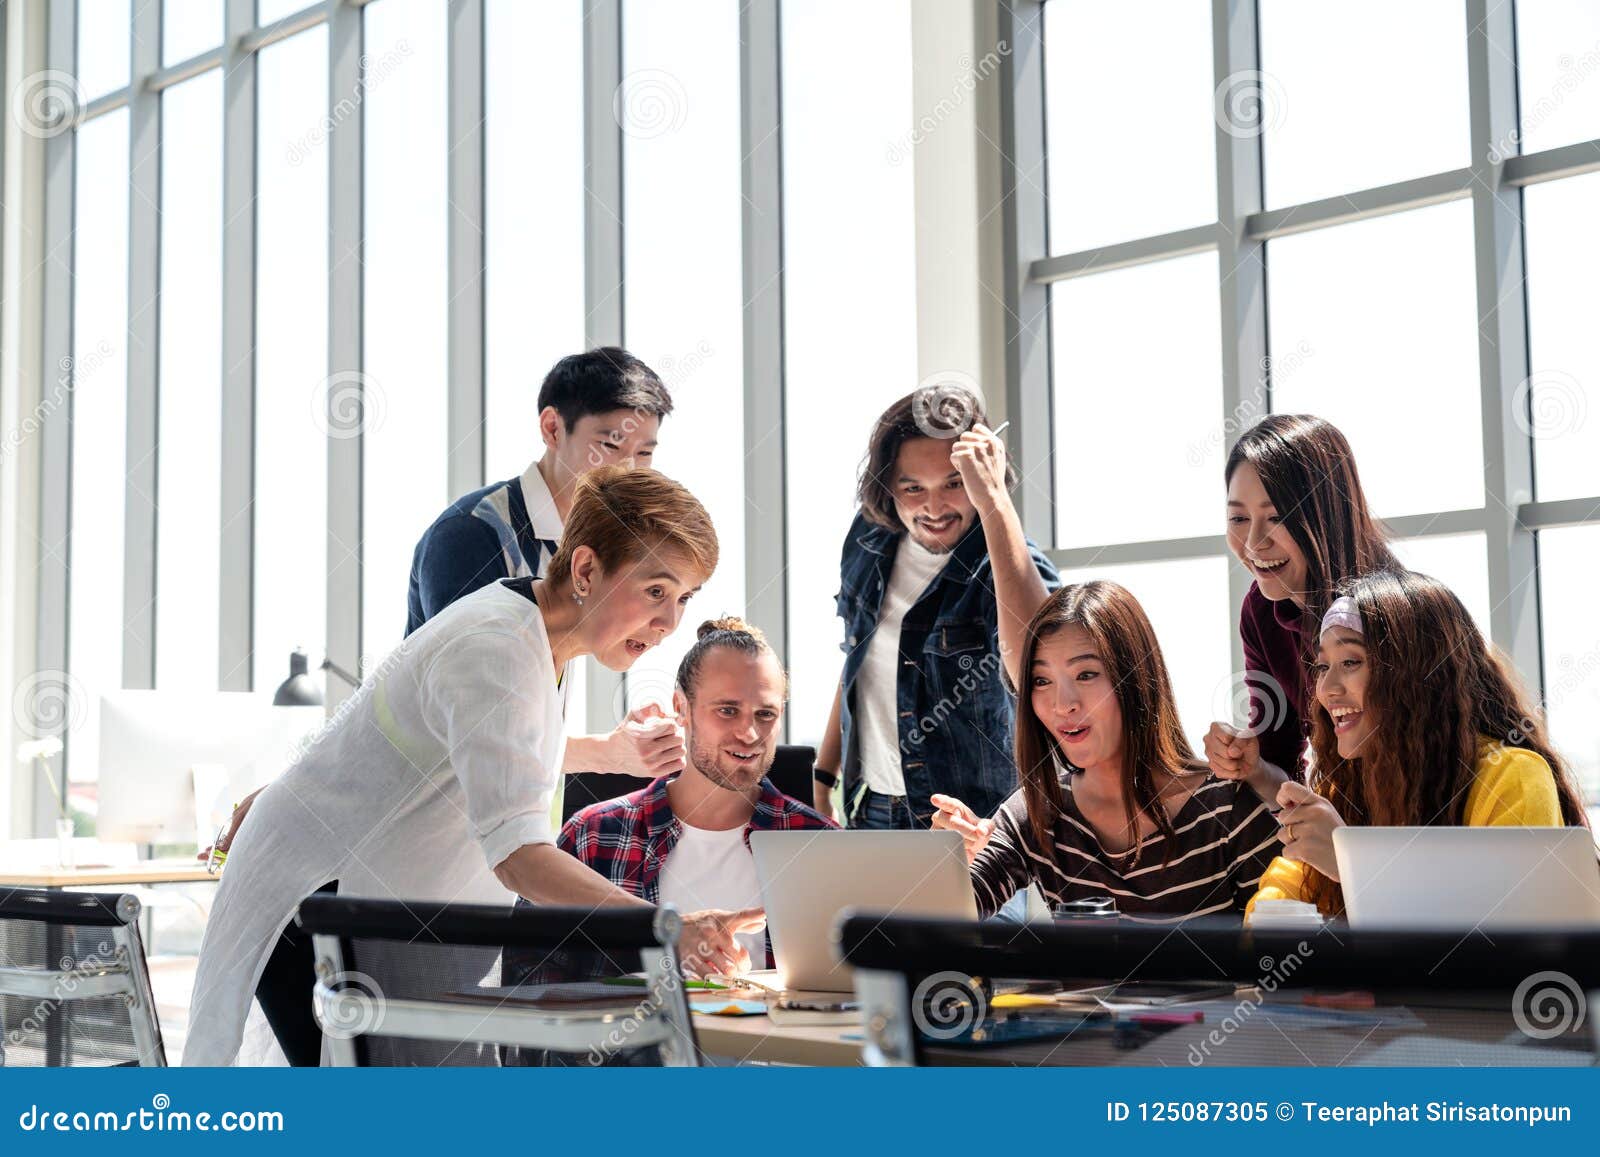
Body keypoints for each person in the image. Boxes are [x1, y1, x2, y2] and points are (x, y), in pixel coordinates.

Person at [184, 468, 764, 1066]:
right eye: (655, 591)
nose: (670, 622)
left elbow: (479, 753)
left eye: (684, 599)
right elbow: (519, 856)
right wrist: (665, 928)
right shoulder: (496, 645)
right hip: (317, 897)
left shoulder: (541, 637)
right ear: (587, 570)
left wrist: (609, 755)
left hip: (379, 898)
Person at [505, 616, 834, 985]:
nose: (749, 733)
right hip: (627, 1043)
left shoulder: (823, 845)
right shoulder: (590, 836)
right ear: (681, 707)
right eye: (727, 711)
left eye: (765, 714)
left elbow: (851, 998)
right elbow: (528, 984)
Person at [931, 582, 1281, 921]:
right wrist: (946, 862)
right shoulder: (1037, 812)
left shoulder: (1227, 805)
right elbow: (945, 920)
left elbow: (1287, 951)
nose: (1062, 704)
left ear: (1134, 679)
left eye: (1086, 674)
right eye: (1041, 681)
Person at [1248, 569, 1590, 917]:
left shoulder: (1512, 777)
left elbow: (1506, 940)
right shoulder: (1347, 786)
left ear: (1419, 674)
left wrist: (1351, 865)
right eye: (1322, 666)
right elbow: (1272, 905)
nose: (1326, 689)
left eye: (1351, 662)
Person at [813, 384, 1059, 830]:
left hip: (974, 826)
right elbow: (858, 659)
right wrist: (822, 774)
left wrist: (994, 502)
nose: (933, 506)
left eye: (954, 483)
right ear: (889, 486)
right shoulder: (869, 542)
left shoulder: (1009, 566)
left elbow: (1039, 669)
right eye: (912, 488)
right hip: (872, 813)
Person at [1206, 414, 1400, 800]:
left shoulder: (1396, 611)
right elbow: (1279, 759)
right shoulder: (1261, 612)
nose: (1253, 543)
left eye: (1277, 517)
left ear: (1325, 514)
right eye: (1239, 518)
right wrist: (1250, 764)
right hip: (1346, 831)